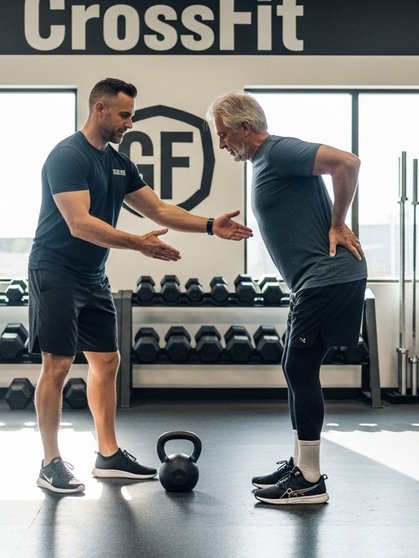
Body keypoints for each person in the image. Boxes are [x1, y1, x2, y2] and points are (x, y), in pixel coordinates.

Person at [29, 78, 253, 494]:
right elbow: (80, 225)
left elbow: (159, 209)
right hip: (55, 271)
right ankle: (50, 462)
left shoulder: (117, 162)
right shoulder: (67, 156)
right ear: (99, 110)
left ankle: (108, 455)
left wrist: (209, 226)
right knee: (57, 365)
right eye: (124, 115)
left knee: (107, 361)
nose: (130, 123)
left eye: (130, 114)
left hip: (92, 275)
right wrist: (137, 244)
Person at [207, 91, 367, 505]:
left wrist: (338, 223)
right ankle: (301, 464)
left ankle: (310, 480)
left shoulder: (277, 151)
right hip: (314, 283)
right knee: (295, 366)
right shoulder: (265, 161)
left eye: (224, 135)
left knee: (298, 366)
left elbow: (346, 163)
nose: (222, 144)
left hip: (327, 278)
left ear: (246, 128)